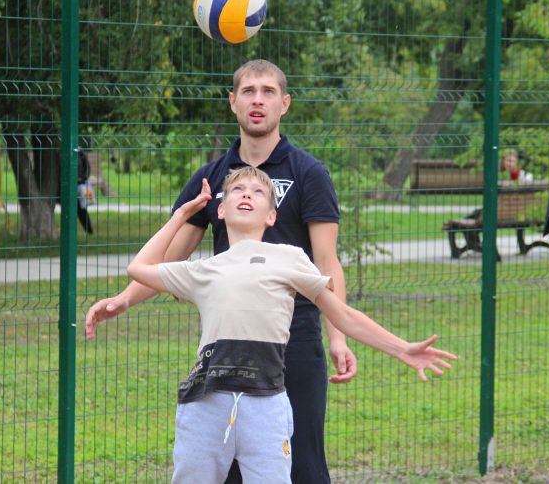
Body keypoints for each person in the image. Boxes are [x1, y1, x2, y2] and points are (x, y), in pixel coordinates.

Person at [85, 166, 456, 484]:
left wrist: (402, 349)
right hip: (205, 406)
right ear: (221, 209)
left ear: (272, 216)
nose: (247, 194)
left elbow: (342, 314)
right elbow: (139, 268)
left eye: (259, 192)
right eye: (237, 190)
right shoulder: (204, 269)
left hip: (266, 406)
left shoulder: (290, 258)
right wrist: (182, 214)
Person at [87, 59, 357, 482]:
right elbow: (168, 260)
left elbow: (327, 262)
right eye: (248, 91)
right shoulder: (211, 179)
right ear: (233, 102)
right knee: (228, 471)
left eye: (268, 92)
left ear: (284, 104)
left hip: (296, 340)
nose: (257, 100)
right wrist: (123, 300)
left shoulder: (308, 173)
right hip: (230, 348)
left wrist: (338, 338)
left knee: (302, 466)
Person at [76, 149, 94, 234]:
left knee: (82, 209)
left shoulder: (80, 153)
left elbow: (87, 168)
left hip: (80, 186)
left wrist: (82, 179)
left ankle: (89, 230)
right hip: (64, 186)